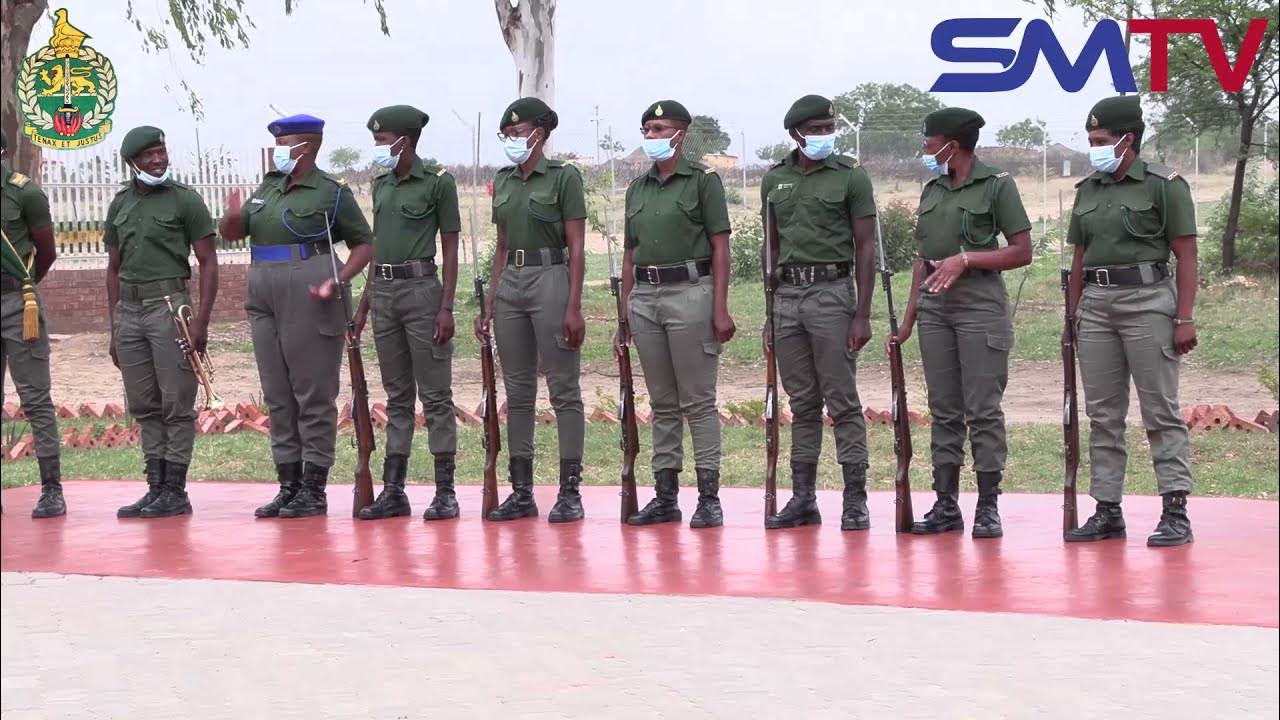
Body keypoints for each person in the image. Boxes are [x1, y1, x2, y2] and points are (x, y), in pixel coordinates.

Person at [886, 107, 1032, 539]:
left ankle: (988, 506)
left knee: (983, 409)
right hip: (935, 307)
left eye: (929, 144)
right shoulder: (932, 190)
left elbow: (1021, 251)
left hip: (979, 304)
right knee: (944, 409)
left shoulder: (997, 185)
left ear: (952, 145)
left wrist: (967, 259)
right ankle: (946, 504)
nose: (925, 151)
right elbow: (922, 260)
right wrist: (908, 321)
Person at [219, 114, 373, 518]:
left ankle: (313, 488)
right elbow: (233, 233)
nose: (279, 152)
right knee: (278, 392)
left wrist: (339, 279)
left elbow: (364, 244)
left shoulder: (330, 192)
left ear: (307, 147)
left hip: (310, 288)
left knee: (312, 392)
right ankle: (288, 485)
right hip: (263, 291)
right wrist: (231, 216)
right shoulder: (268, 187)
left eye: (285, 145)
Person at [1064, 95, 1199, 547]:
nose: (1094, 148)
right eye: (1090, 140)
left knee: (1160, 409)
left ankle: (1175, 511)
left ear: (1128, 139)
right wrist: (1072, 316)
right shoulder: (1088, 189)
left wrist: (1184, 317)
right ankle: (1107, 510)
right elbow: (1079, 257)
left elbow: (1186, 254)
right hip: (1096, 305)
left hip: (1148, 301)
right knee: (1103, 415)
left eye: (1101, 140)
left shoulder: (1164, 185)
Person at [616, 100, 736, 529]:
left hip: (690, 293)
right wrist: (624, 315)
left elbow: (721, 248)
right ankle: (665, 497)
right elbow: (630, 254)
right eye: (646, 129)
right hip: (645, 297)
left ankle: (709, 498)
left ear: (680, 134)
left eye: (659, 129)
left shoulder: (703, 182)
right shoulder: (637, 188)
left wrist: (720, 308)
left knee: (698, 402)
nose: (650, 136)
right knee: (662, 403)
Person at [760, 94, 877, 531]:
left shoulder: (851, 176)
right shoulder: (775, 180)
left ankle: (855, 500)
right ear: (796, 134)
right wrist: (770, 313)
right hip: (787, 297)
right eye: (816, 130)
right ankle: (803, 498)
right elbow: (771, 248)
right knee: (802, 403)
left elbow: (866, 247)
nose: (825, 135)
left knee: (842, 400)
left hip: (832, 293)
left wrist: (862, 313)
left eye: (829, 128)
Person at [475, 97, 588, 523]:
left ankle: (570, 491)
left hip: (550, 278)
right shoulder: (503, 181)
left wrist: (573, 304)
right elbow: (502, 246)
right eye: (506, 134)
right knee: (518, 393)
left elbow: (576, 245)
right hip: (512, 284)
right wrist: (490, 301)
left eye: (517, 133)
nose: (511, 140)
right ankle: (521, 492)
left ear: (539, 134)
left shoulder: (563, 178)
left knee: (563, 390)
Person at [352, 105, 462, 521]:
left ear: (405, 141)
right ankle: (393, 490)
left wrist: (446, 306)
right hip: (383, 293)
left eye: (382, 140)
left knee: (435, 396)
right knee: (397, 396)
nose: (377, 148)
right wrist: (363, 307)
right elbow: (377, 247)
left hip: (421, 292)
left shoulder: (438, 183)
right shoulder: (381, 186)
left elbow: (450, 248)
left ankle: (445, 491)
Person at [105, 125, 218, 518]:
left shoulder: (185, 200)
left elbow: (208, 262)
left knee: (176, 403)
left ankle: (175, 490)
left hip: (169, 308)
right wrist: (114, 326)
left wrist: (201, 322)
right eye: (148, 155)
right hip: (129, 311)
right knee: (145, 404)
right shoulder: (120, 203)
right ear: (132, 162)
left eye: (161, 152)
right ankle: (155, 487)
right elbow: (113, 269)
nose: (157, 160)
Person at [0, 128, 62, 518]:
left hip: (16, 304)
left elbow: (47, 251)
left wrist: (22, 288)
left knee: (35, 399)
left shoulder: (25, 193)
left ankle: (52, 490)